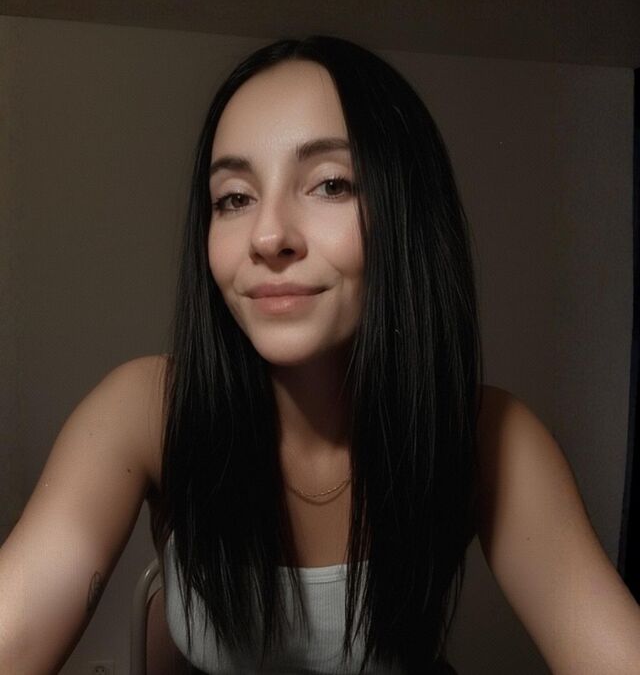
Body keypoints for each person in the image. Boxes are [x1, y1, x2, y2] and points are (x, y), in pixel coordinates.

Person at [1, 36, 639, 674]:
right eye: (234, 198)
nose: (268, 235)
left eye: (331, 184)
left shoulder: (488, 435)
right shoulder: (148, 410)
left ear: (405, 212)